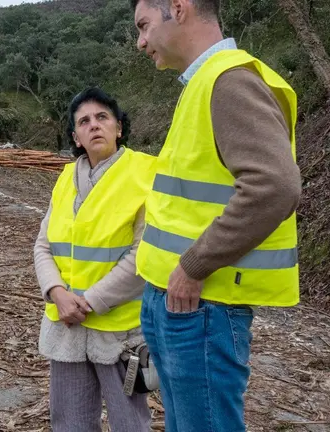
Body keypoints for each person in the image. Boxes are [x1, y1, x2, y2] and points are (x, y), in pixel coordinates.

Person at [131, 0, 302, 429]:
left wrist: (194, 264)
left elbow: (275, 186)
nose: (140, 42)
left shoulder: (229, 81)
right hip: (180, 301)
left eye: (144, 25)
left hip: (203, 304)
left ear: (178, 8)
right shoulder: (204, 83)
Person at [34, 87, 156, 432]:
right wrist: (56, 292)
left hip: (119, 330)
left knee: (129, 422)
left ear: (119, 126)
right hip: (66, 326)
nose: (94, 125)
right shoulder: (65, 179)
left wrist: (90, 301)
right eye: (84, 121)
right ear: (75, 137)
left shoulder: (144, 172)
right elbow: (43, 245)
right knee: (69, 422)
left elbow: (144, 253)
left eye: (102, 117)